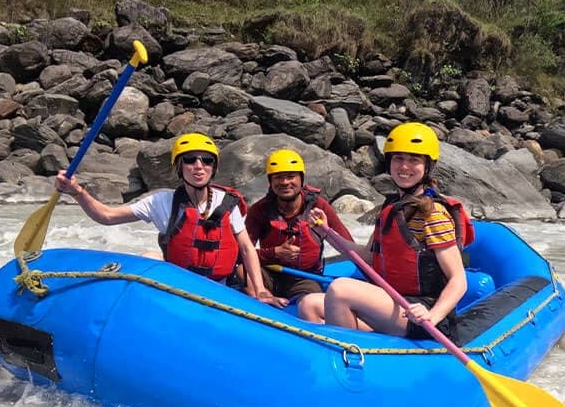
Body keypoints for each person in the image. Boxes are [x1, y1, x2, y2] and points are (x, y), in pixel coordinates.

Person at [56, 132, 283, 306]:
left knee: (253, 291)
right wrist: (78, 192)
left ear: (213, 168)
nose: (198, 166)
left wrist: (260, 289)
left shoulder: (228, 202)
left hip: (219, 289)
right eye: (190, 160)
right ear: (178, 166)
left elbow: (246, 247)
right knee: (149, 257)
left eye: (206, 161)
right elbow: (106, 216)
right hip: (179, 286)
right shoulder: (161, 202)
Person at [298, 123, 471, 339]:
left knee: (340, 289)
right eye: (398, 158)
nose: (404, 167)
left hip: (422, 312)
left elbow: (458, 280)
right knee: (309, 304)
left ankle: (349, 354)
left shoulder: (433, 214)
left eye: (413, 160)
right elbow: (368, 257)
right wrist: (327, 232)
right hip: (392, 303)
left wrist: (432, 315)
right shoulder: (390, 208)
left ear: (428, 166)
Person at [245, 149, 354, 299]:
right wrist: (274, 253)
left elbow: (348, 245)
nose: (284, 182)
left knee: (311, 300)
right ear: (270, 182)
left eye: (291, 177)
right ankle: (264, 303)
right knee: (241, 270)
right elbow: (241, 252)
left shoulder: (319, 206)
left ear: (301, 179)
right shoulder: (259, 210)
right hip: (268, 273)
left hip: (305, 278)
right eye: (278, 177)